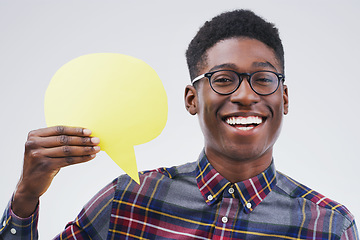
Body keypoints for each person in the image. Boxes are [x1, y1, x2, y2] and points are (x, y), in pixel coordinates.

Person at [0, 9, 358, 240]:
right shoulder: (126, 200)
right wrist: (25, 198)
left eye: (263, 79)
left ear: (284, 98)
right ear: (192, 99)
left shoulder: (328, 226)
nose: (247, 96)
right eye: (223, 78)